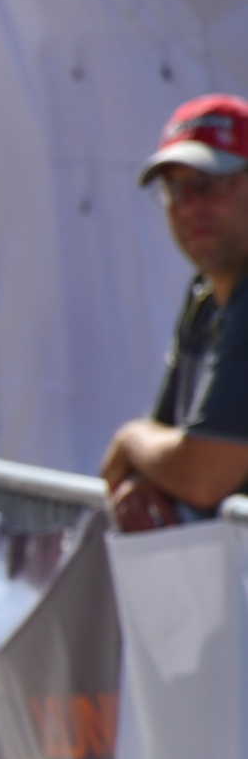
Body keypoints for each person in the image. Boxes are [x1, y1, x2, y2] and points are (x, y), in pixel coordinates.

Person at [103, 94, 248, 529]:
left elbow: (203, 474)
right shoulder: (206, 295)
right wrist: (143, 475)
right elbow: (167, 446)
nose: (189, 206)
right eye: (174, 188)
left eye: (208, 184)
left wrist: (128, 441)